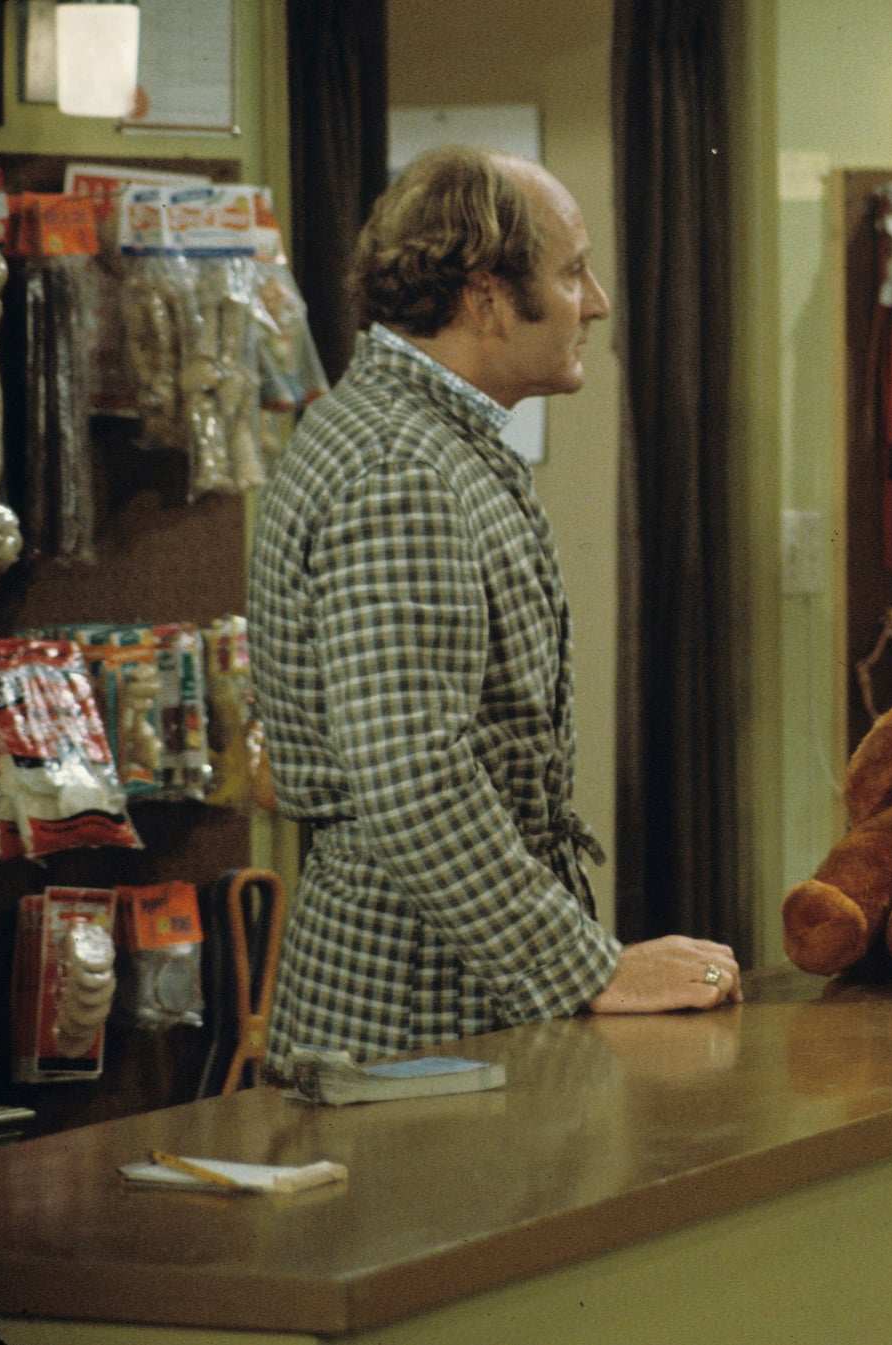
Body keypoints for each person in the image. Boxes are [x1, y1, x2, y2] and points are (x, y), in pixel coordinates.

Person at [250, 146, 740, 1074]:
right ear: (485, 298)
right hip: (413, 1000)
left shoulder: (419, 436)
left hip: (440, 975)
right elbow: (414, 777)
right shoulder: (401, 465)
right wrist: (590, 967)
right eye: (571, 272)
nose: (597, 302)